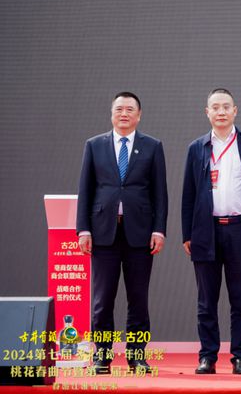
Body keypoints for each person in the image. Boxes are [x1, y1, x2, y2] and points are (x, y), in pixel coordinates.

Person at [181, 88, 241, 375]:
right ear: (207, 112)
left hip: (240, 229)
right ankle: (207, 356)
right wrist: (188, 234)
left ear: (235, 110)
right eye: (215, 107)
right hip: (206, 230)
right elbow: (188, 194)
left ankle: (240, 356)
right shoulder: (197, 147)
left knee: (240, 298)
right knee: (206, 300)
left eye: (226, 107)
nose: (221, 112)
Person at [76, 92, 168, 374]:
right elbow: (86, 190)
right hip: (103, 233)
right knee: (102, 300)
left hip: (140, 234)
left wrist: (159, 230)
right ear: (111, 114)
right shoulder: (95, 145)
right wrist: (83, 229)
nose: (124, 114)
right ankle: (102, 356)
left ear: (139, 115)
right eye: (119, 109)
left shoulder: (152, 146)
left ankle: (136, 355)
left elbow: (160, 193)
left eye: (130, 109)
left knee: (138, 299)